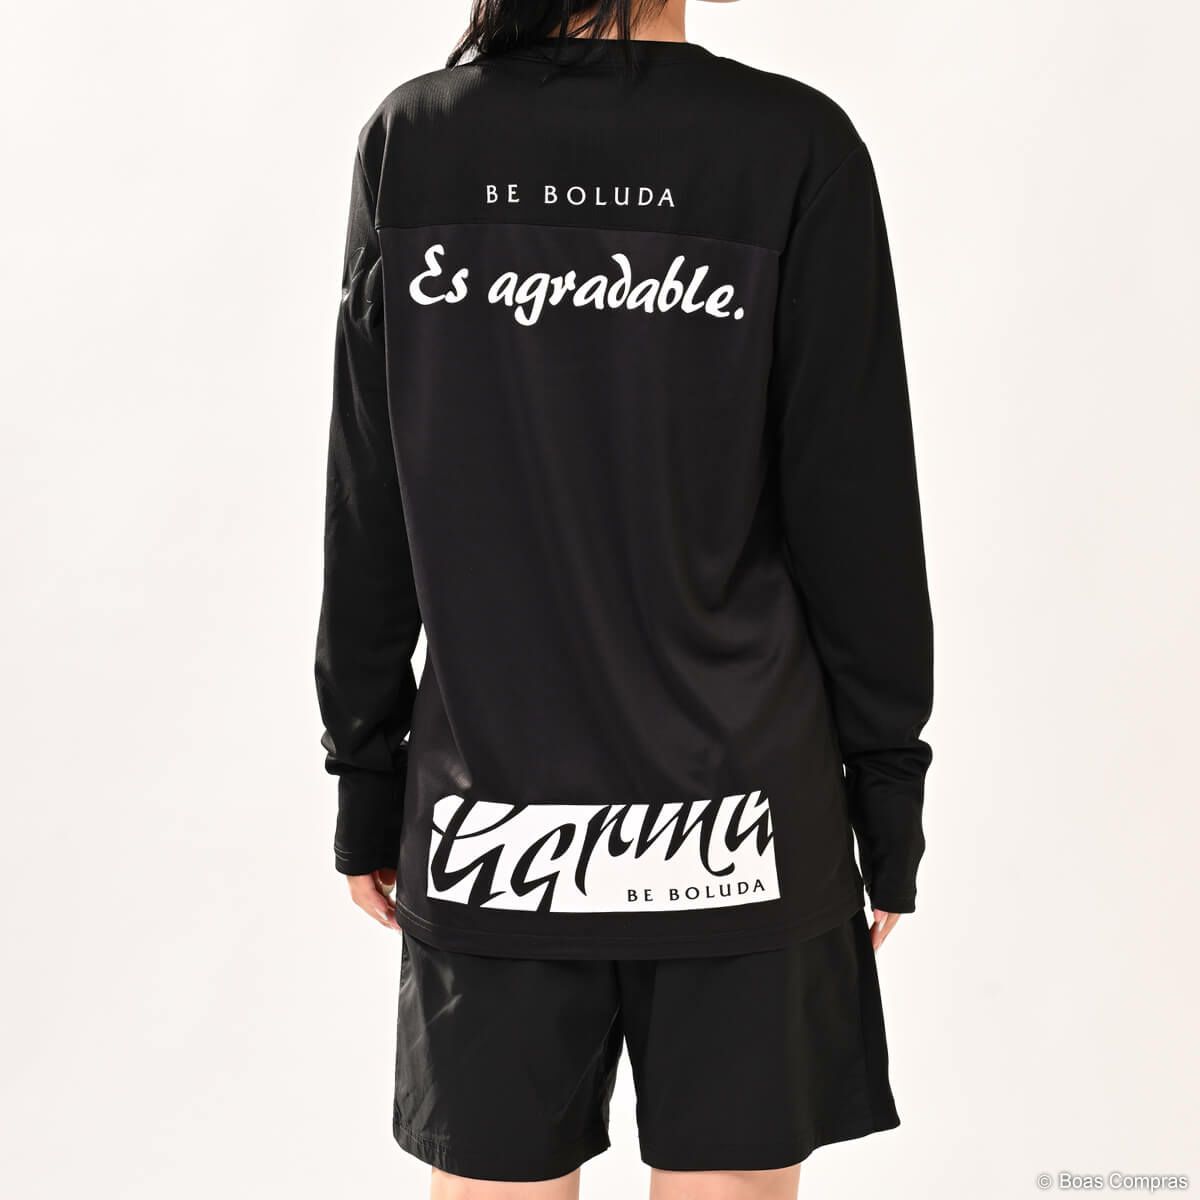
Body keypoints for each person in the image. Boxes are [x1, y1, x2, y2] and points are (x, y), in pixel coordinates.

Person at [315, 0, 933, 1195]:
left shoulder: (421, 140)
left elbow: (368, 495)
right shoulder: (791, 144)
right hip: (743, 824)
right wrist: (887, 794)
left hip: (491, 823)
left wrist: (366, 773)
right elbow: (855, 510)